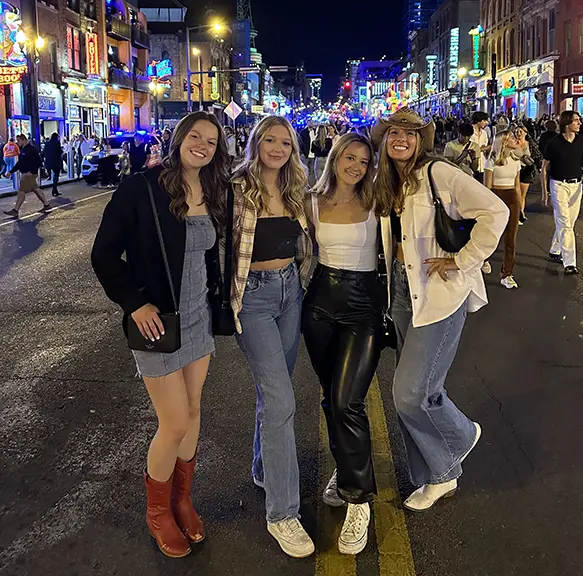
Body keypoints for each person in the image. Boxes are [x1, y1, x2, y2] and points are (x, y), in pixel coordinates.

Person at [91, 112, 229, 559]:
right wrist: (134, 302)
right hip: (156, 322)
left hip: (198, 320)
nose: (202, 146)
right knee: (173, 423)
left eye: (211, 141)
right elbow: (104, 253)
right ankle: (157, 513)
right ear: (178, 139)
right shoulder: (141, 189)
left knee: (193, 410)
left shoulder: (215, 191)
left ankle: (182, 500)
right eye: (195, 136)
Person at [372, 108, 508, 512]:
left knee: (410, 391)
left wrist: (462, 259)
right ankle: (432, 474)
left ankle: (458, 441)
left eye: (410, 134)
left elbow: (495, 211)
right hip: (401, 289)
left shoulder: (438, 173)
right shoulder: (387, 181)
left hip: (440, 292)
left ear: (421, 140)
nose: (401, 139)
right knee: (414, 390)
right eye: (394, 132)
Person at [230, 115, 315, 559]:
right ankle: (282, 513)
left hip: (290, 293)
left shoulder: (298, 186)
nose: (278, 148)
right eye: (270, 139)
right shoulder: (235, 186)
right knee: (282, 400)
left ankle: (265, 465)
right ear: (256, 142)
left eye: (285, 141)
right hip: (254, 299)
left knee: (274, 392)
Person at [303, 133, 379, 555]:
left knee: (348, 400)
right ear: (335, 158)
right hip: (319, 306)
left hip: (363, 307)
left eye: (364, 161)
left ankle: (359, 500)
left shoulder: (378, 201)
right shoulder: (312, 202)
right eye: (349, 157)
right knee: (332, 400)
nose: (356, 165)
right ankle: (347, 467)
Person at [541, 110, 583, 275]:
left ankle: (555, 249)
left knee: (569, 221)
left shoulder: (581, 141)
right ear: (567, 124)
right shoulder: (554, 143)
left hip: (576, 186)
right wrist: (545, 192)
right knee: (564, 222)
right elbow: (544, 168)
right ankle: (570, 262)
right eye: (576, 120)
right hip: (558, 184)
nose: (580, 123)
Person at [484, 129, 522, 288]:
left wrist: (520, 207)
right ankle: (482, 258)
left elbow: (517, 185)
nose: (516, 139)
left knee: (510, 239)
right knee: (491, 236)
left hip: (512, 198)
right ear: (504, 141)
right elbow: (487, 186)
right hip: (496, 197)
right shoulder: (491, 161)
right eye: (512, 137)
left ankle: (507, 273)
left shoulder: (516, 160)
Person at [3, 135, 52, 218]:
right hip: (27, 173)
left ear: (24, 140)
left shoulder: (31, 150)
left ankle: (15, 210)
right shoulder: (23, 150)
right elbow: (20, 163)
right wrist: (11, 172)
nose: (17, 143)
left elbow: (38, 162)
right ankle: (47, 205)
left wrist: (32, 171)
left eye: (19, 141)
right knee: (36, 189)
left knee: (21, 191)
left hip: (28, 174)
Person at [513, 125, 534, 224]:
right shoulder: (512, 144)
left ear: (525, 133)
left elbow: (535, 156)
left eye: (521, 131)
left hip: (527, 170)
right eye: (517, 131)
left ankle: (521, 213)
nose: (518, 133)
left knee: (522, 195)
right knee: (516, 194)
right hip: (515, 170)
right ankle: (516, 214)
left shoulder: (530, 144)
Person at [470, 111, 492, 182]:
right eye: (484, 120)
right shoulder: (470, 132)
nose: (486, 123)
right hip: (471, 164)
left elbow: (484, 148)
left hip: (482, 164)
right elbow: (472, 149)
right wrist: (488, 147)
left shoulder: (484, 133)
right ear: (478, 121)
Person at [44, 132, 63, 197]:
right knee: (56, 175)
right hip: (56, 162)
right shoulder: (57, 143)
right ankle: (54, 189)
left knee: (54, 175)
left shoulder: (47, 143)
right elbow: (60, 151)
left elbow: (44, 152)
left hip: (49, 162)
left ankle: (55, 189)